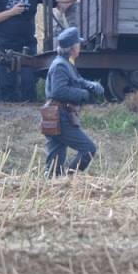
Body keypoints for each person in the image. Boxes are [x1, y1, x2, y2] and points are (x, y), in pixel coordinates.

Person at [0, 0, 81, 102]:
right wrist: (11, 12)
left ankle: (28, 114)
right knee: (5, 85)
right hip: (5, 46)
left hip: (27, 45)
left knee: (28, 84)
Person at [43, 27, 104, 177]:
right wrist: (83, 94)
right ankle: (69, 179)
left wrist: (91, 85)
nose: (80, 47)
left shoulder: (66, 63)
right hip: (60, 117)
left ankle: (54, 183)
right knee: (88, 149)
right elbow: (59, 91)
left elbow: (77, 80)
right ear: (72, 48)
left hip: (59, 116)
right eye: (78, 44)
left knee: (55, 163)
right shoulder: (60, 66)